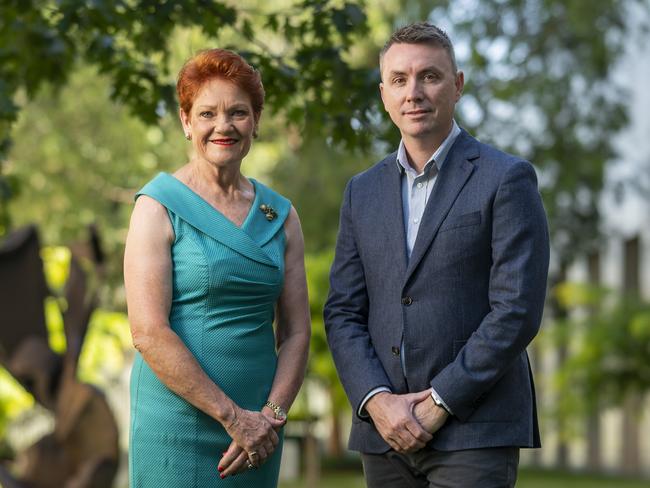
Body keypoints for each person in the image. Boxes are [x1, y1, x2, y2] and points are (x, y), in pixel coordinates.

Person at [324, 22, 549, 488]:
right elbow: (343, 311)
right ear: (384, 93)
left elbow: (517, 311)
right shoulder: (360, 192)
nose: (414, 92)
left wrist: (439, 403)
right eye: (400, 80)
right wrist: (377, 400)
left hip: (475, 430)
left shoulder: (507, 178)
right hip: (382, 434)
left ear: (458, 85)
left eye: (430, 76)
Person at [124, 48, 311, 487]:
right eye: (207, 113)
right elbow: (147, 332)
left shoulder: (281, 215)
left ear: (256, 122)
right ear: (186, 122)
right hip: (176, 426)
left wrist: (270, 418)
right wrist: (233, 419)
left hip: (260, 434)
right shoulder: (157, 206)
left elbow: (297, 332)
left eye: (238, 113)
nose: (223, 126)